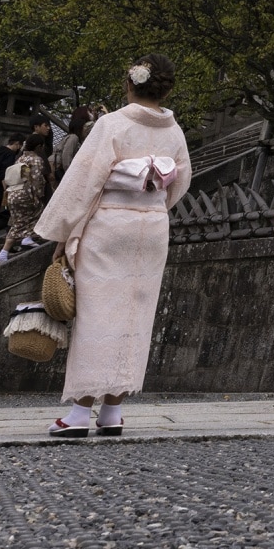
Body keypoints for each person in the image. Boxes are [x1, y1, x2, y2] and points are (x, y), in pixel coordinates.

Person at [34, 54, 192, 439]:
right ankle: (113, 410)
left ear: (130, 84)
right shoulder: (174, 131)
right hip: (152, 228)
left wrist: (63, 234)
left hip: (109, 225)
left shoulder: (112, 124)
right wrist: (151, 207)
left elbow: (83, 182)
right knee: (135, 316)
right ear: (167, 88)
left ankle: (77, 413)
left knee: (97, 314)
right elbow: (181, 181)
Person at [0, 129, 52, 262]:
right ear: (39, 146)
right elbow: (36, 180)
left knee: (19, 221)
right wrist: (38, 196)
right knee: (39, 212)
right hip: (26, 194)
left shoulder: (20, 158)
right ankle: (9, 249)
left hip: (13, 194)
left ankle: (22, 241)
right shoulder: (37, 160)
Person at [57, 106, 99, 177]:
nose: (91, 114)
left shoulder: (76, 138)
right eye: (89, 112)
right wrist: (71, 176)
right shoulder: (74, 138)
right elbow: (66, 158)